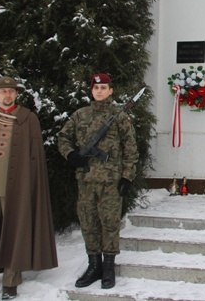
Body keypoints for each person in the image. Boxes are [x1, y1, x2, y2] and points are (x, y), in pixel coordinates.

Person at [0, 76, 58, 300]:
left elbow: (35, 157)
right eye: (3, 91)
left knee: (16, 235)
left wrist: (33, 187)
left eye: (11, 91)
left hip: (17, 188)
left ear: (16, 94)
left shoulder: (28, 119)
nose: (7, 95)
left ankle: (11, 281)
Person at [58, 73, 139, 290]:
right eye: (96, 88)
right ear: (91, 91)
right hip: (86, 180)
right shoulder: (80, 115)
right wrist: (71, 154)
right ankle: (94, 265)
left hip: (111, 182)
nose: (100, 91)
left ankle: (108, 267)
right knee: (88, 223)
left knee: (110, 224)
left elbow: (130, 149)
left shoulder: (120, 116)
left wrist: (127, 176)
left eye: (104, 87)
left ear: (111, 90)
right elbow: (63, 138)